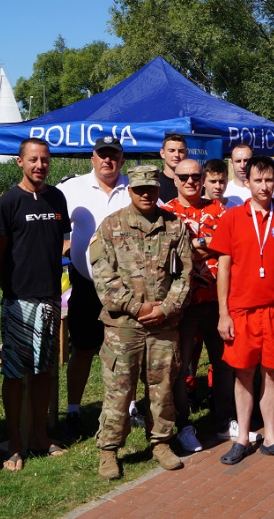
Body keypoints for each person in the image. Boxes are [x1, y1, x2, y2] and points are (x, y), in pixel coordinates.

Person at [89, 165, 192, 479]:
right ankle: (109, 450)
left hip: (163, 326)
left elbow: (185, 277)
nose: (146, 194)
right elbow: (102, 275)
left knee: (162, 389)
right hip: (123, 328)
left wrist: (166, 308)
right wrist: (134, 306)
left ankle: (160, 442)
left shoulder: (175, 227)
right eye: (140, 189)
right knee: (119, 390)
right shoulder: (111, 226)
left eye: (151, 188)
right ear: (130, 190)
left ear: (159, 189)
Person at [214, 156, 274, 465]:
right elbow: (223, 269)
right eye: (259, 180)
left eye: (270, 180)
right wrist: (223, 313)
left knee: (273, 372)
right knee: (243, 374)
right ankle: (242, 436)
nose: (265, 186)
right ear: (247, 182)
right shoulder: (231, 218)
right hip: (242, 310)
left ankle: (270, 436)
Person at [0, 138, 71, 471]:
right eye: (33, 160)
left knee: (43, 372)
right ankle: (15, 443)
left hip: (50, 299)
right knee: (14, 374)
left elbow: (62, 240)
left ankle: (40, 436)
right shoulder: (8, 203)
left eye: (45, 160)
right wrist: (13, 289)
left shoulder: (56, 198)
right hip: (18, 301)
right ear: (20, 163)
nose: (40, 165)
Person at [58, 136, 131, 441]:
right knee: (83, 348)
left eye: (113, 155)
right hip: (86, 285)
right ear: (92, 158)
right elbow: (55, 228)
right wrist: (64, 246)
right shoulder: (70, 188)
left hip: (125, 287)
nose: (107, 161)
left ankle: (129, 408)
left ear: (121, 159)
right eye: (102, 155)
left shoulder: (133, 188)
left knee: (126, 349)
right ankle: (74, 408)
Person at [162, 158, 235, 453]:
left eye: (196, 176)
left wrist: (196, 244)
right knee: (180, 368)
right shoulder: (166, 212)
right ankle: (184, 426)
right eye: (185, 177)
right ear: (175, 179)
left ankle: (225, 420)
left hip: (219, 301)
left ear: (203, 178)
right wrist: (207, 244)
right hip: (184, 303)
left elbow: (228, 246)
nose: (191, 181)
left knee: (225, 364)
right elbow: (173, 256)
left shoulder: (219, 209)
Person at [157, 134, 188, 202]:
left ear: (186, 154)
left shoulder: (192, 183)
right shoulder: (155, 184)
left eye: (181, 151)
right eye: (171, 150)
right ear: (162, 153)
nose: (176, 155)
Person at [222, 143, 254, 209]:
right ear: (231, 163)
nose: (242, 165)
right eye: (238, 161)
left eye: (246, 160)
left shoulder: (262, 190)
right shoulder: (223, 191)